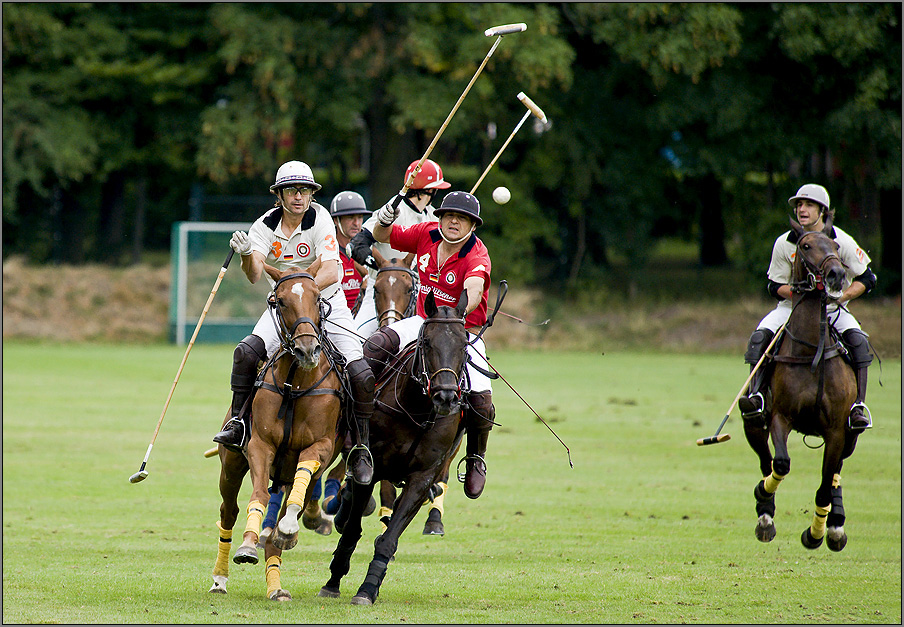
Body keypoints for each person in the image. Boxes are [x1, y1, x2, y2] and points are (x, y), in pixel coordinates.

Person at [213, 161, 375, 486]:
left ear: (312, 194)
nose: (299, 197)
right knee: (246, 353)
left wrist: (300, 282)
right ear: (280, 195)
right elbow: (255, 274)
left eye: (305, 190)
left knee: (360, 371)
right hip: (284, 308)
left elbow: (332, 270)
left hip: (327, 301)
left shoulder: (321, 219)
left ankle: (359, 446)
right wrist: (247, 253)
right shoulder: (264, 226)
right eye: (292, 190)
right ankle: (238, 424)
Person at [367, 189, 496, 499]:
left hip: (461, 329)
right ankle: (353, 432)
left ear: (472, 226)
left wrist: (460, 310)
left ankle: (476, 458)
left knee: (481, 400)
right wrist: (383, 222)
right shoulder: (426, 233)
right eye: (449, 215)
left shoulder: (477, 255)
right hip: (422, 323)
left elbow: (475, 288)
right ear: (440, 218)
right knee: (373, 348)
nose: (454, 221)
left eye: (462, 219)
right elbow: (384, 236)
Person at [739, 183, 877, 432]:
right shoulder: (785, 242)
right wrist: (801, 295)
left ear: (822, 211)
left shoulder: (840, 240)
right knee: (760, 337)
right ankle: (758, 397)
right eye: (799, 205)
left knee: (858, 341)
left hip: (832, 309)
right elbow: (773, 284)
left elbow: (868, 279)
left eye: (808, 205)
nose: (802, 209)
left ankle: (858, 406)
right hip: (792, 307)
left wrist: (841, 297)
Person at [347, 158, 450, 338]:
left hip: (419, 291)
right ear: (427, 190)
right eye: (435, 189)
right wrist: (384, 268)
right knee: (354, 339)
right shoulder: (394, 209)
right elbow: (356, 246)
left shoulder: (434, 217)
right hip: (382, 291)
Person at [329, 191, 371, 311]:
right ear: (336, 220)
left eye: (360, 217)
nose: (356, 223)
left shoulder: (372, 249)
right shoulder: (327, 251)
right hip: (335, 316)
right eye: (350, 217)